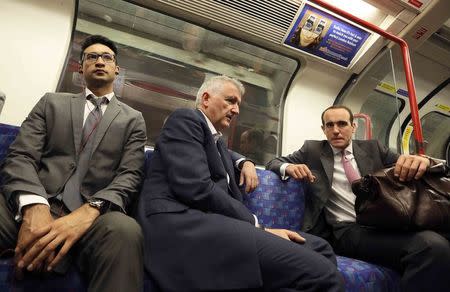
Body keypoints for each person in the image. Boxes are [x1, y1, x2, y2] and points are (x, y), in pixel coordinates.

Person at [137, 75, 344, 292]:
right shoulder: (185, 120)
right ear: (206, 99)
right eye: (230, 101)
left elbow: (222, 152)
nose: (236, 110)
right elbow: (196, 188)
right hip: (181, 224)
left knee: (322, 248)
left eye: (238, 104)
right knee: (325, 276)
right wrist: (258, 226)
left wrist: (245, 161)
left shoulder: (216, 141)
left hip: (215, 224)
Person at [0, 35, 147, 292]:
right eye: (92, 57)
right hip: (33, 203)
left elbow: (130, 175)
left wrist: (88, 213)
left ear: (116, 69)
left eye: (107, 58)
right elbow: (21, 156)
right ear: (81, 68)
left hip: (92, 217)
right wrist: (34, 207)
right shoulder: (51, 102)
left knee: (126, 231)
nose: (100, 61)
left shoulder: (133, 120)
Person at [266, 105, 450, 292]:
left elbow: (407, 164)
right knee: (430, 246)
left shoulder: (374, 148)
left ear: (354, 127)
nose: (336, 130)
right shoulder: (312, 150)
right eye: (329, 125)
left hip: (383, 224)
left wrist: (424, 160)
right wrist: (288, 167)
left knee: (442, 238)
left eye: (342, 124)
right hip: (346, 231)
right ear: (323, 129)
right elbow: (273, 162)